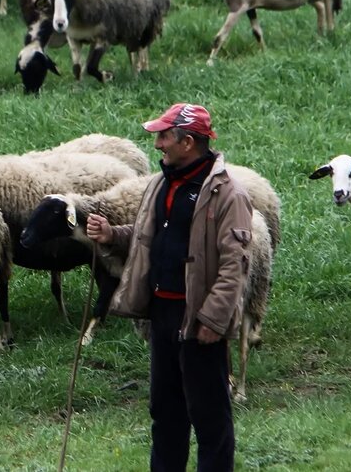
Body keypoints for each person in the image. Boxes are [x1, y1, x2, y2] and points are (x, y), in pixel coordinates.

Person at [86, 103, 253, 471]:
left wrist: (213, 318)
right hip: (162, 315)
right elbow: (150, 236)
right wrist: (113, 235)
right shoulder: (161, 184)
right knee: (165, 410)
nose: (158, 144)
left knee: (209, 415)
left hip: (198, 319)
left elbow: (235, 263)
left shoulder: (228, 195)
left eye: (164, 136)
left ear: (188, 142)